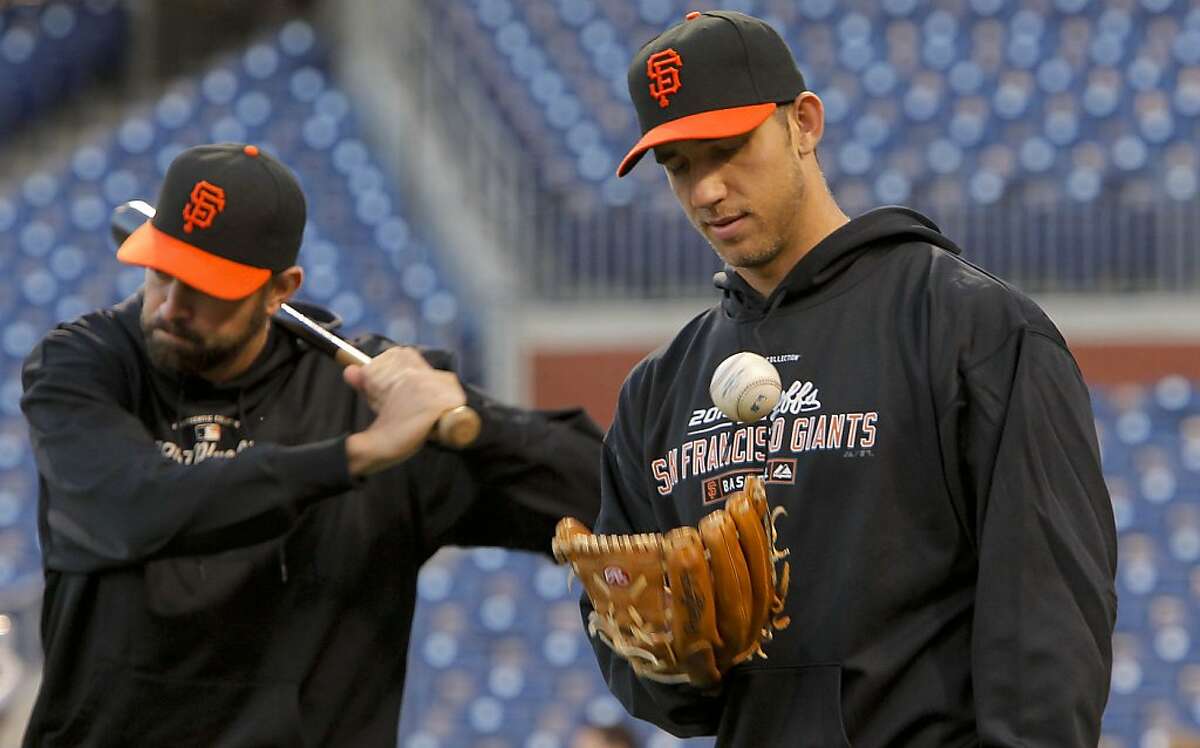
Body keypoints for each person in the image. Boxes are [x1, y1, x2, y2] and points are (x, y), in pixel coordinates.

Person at [586, 10, 1117, 746]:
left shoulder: (969, 328)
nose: (707, 189)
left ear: (804, 123)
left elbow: (1046, 624)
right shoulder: (658, 391)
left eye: (728, 148)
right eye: (679, 166)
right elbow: (668, 697)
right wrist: (670, 665)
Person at [20, 143, 602, 746]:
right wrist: (358, 455)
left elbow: (599, 495)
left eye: (206, 288)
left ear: (281, 290)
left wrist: (477, 419)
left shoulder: (359, 397)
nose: (171, 306)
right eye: (162, 271)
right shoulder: (84, 364)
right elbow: (132, 507)